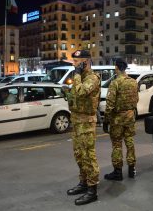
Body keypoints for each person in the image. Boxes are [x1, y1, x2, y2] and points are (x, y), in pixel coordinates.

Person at [65, 50, 101, 206]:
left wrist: (77, 75)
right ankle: (83, 183)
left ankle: (92, 190)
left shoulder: (93, 78)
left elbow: (81, 92)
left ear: (85, 62)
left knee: (88, 156)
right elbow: (74, 97)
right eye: (74, 62)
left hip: (86, 122)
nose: (74, 65)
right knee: (79, 154)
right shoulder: (79, 78)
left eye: (76, 62)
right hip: (77, 121)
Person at [103, 58, 138, 181]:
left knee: (117, 144)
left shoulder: (115, 83)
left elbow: (110, 103)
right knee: (129, 141)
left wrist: (106, 120)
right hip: (129, 116)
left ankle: (118, 172)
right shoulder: (133, 82)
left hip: (117, 118)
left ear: (116, 67)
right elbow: (136, 100)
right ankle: (132, 169)